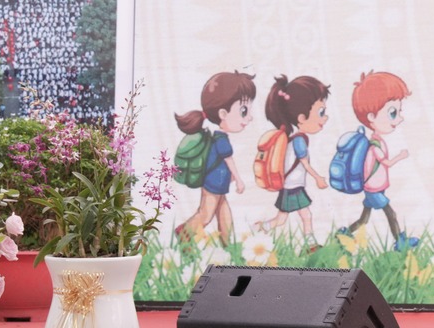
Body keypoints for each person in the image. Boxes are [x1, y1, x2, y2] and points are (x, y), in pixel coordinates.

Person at [338, 70, 418, 252]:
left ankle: (345, 233)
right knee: (390, 213)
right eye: (393, 113)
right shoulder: (375, 145)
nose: (399, 118)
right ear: (372, 117)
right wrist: (401, 156)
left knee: (364, 219)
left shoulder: (376, 141)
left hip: (374, 188)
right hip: (373, 189)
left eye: (399, 111)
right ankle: (400, 241)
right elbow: (386, 163)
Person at [174, 70, 256, 247]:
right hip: (214, 182)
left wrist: (229, 176)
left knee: (223, 212)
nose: (249, 117)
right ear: (223, 114)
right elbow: (228, 159)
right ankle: (185, 232)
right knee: (206, 214)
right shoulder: (221, 139)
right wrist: (239, 179)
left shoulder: (217, 138)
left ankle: (228, 245)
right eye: (244, 111)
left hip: (219, 181)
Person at [258, 74, 330, 252]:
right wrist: (318, 178)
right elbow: (304, 164)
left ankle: (259, 228)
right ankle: (311, 244)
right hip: (293, 187)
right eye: (321, 113)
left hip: (289, 186)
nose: (325, 118)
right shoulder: (299, 141)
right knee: (305, 215)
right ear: (302, 118)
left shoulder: (292, 139)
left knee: (281, 219)